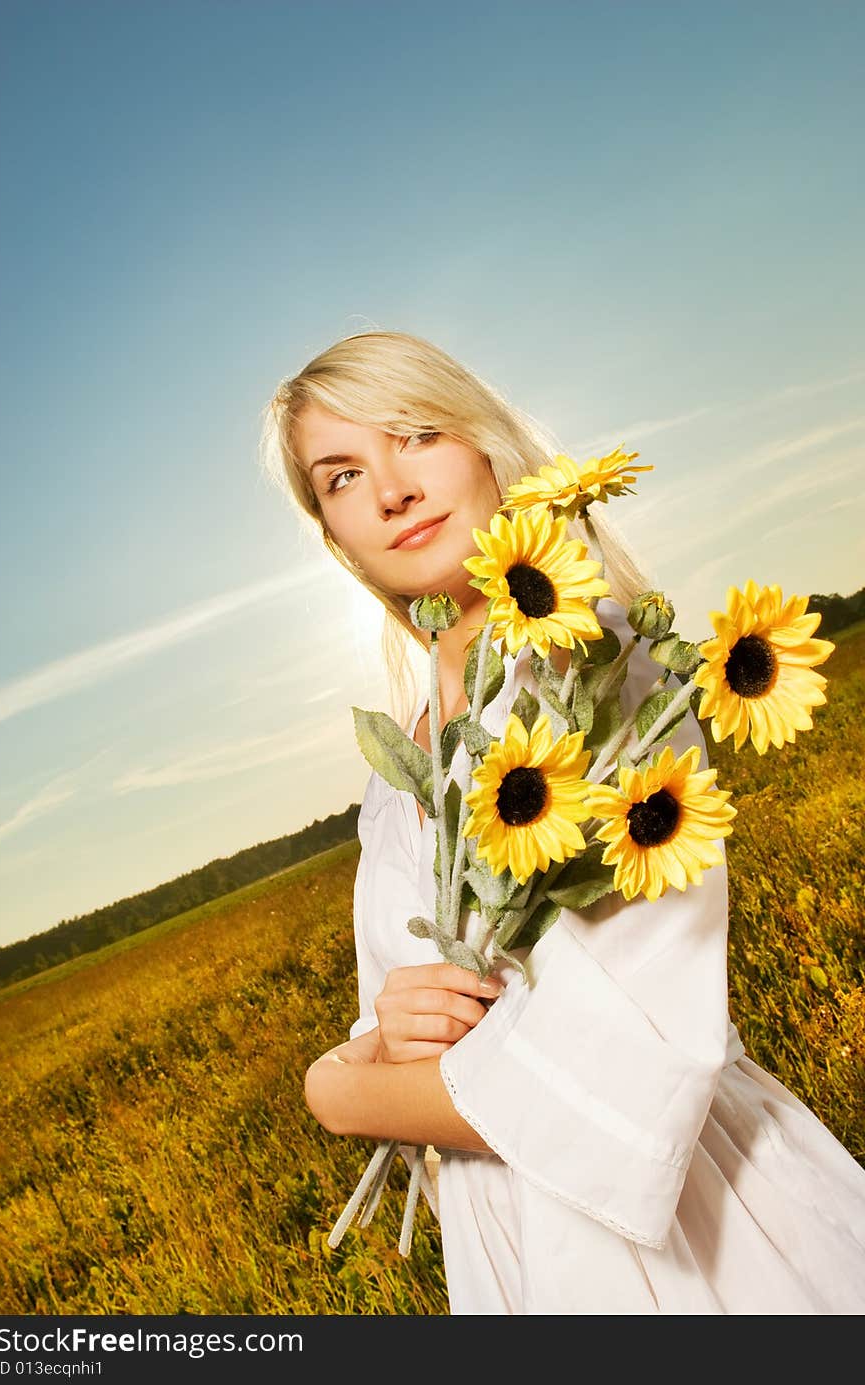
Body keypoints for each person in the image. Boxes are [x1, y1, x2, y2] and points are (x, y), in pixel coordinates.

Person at [260, 329, 865, 1315]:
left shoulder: (603, 676)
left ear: (486, 444)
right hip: (510, 1253)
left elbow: (629, 1059)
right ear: (333, 535)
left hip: (698, 1253)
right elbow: (413, 1025)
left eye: (416, 433)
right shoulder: (399, 765)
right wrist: (385, 1033)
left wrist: (334, 1088)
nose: (391, 489)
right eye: (340, 475)